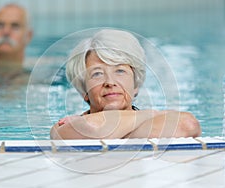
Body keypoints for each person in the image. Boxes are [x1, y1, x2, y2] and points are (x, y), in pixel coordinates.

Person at [50, 29, 201, 140]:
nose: (110, 82)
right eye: (97, 74)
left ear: (136, 84)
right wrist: (150, 115)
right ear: (84, 91)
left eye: (120, 71)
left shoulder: (77, 124)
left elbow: (188, 125)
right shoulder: (63, 128)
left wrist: (109, 130)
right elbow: (94, 128)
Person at [0, 3, 33, 82]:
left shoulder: (43, 71)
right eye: (0, 25)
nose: (5, 32)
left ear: (28, 36)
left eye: (15, 26)